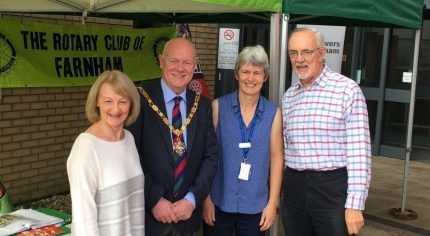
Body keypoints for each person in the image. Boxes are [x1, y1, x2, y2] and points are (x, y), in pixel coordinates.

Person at [281, 27, 371, 236]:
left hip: (332, 190)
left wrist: (355, 205)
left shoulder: (347, 90)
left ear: (321, 54)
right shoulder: (289, 96)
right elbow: (286, 148)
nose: (299, 59)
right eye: (293, 53)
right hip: (294, 188)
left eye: (306, 52)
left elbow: (359, 154)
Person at [127, 38, 219, 236]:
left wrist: (192, 200)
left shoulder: (202, 106)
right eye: (174, 61)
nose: (180, 68)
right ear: (161, 62)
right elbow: (131, 156)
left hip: (187, 218)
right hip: (149, 217)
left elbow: (210, 157)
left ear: (194, 65)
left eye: (187, 62)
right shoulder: (141, 101)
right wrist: (154, 199)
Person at [202, 45, 284, 236]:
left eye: (257, 72)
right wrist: (205, 200)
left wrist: (272, 204)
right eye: (245, 71)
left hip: (256, 206)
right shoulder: (218, 107)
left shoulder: (273, 114)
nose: (251, 78)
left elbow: (276, 158)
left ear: (265, 76)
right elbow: (206, 155)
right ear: (237, 74)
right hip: (218, 202)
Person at [67, 70, 144, 235]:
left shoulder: (128, 139)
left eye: (122, 101)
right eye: (108, 101)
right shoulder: (86, 148)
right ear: (97, 102)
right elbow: (83, 222)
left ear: (131, 104)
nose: (115, 109)